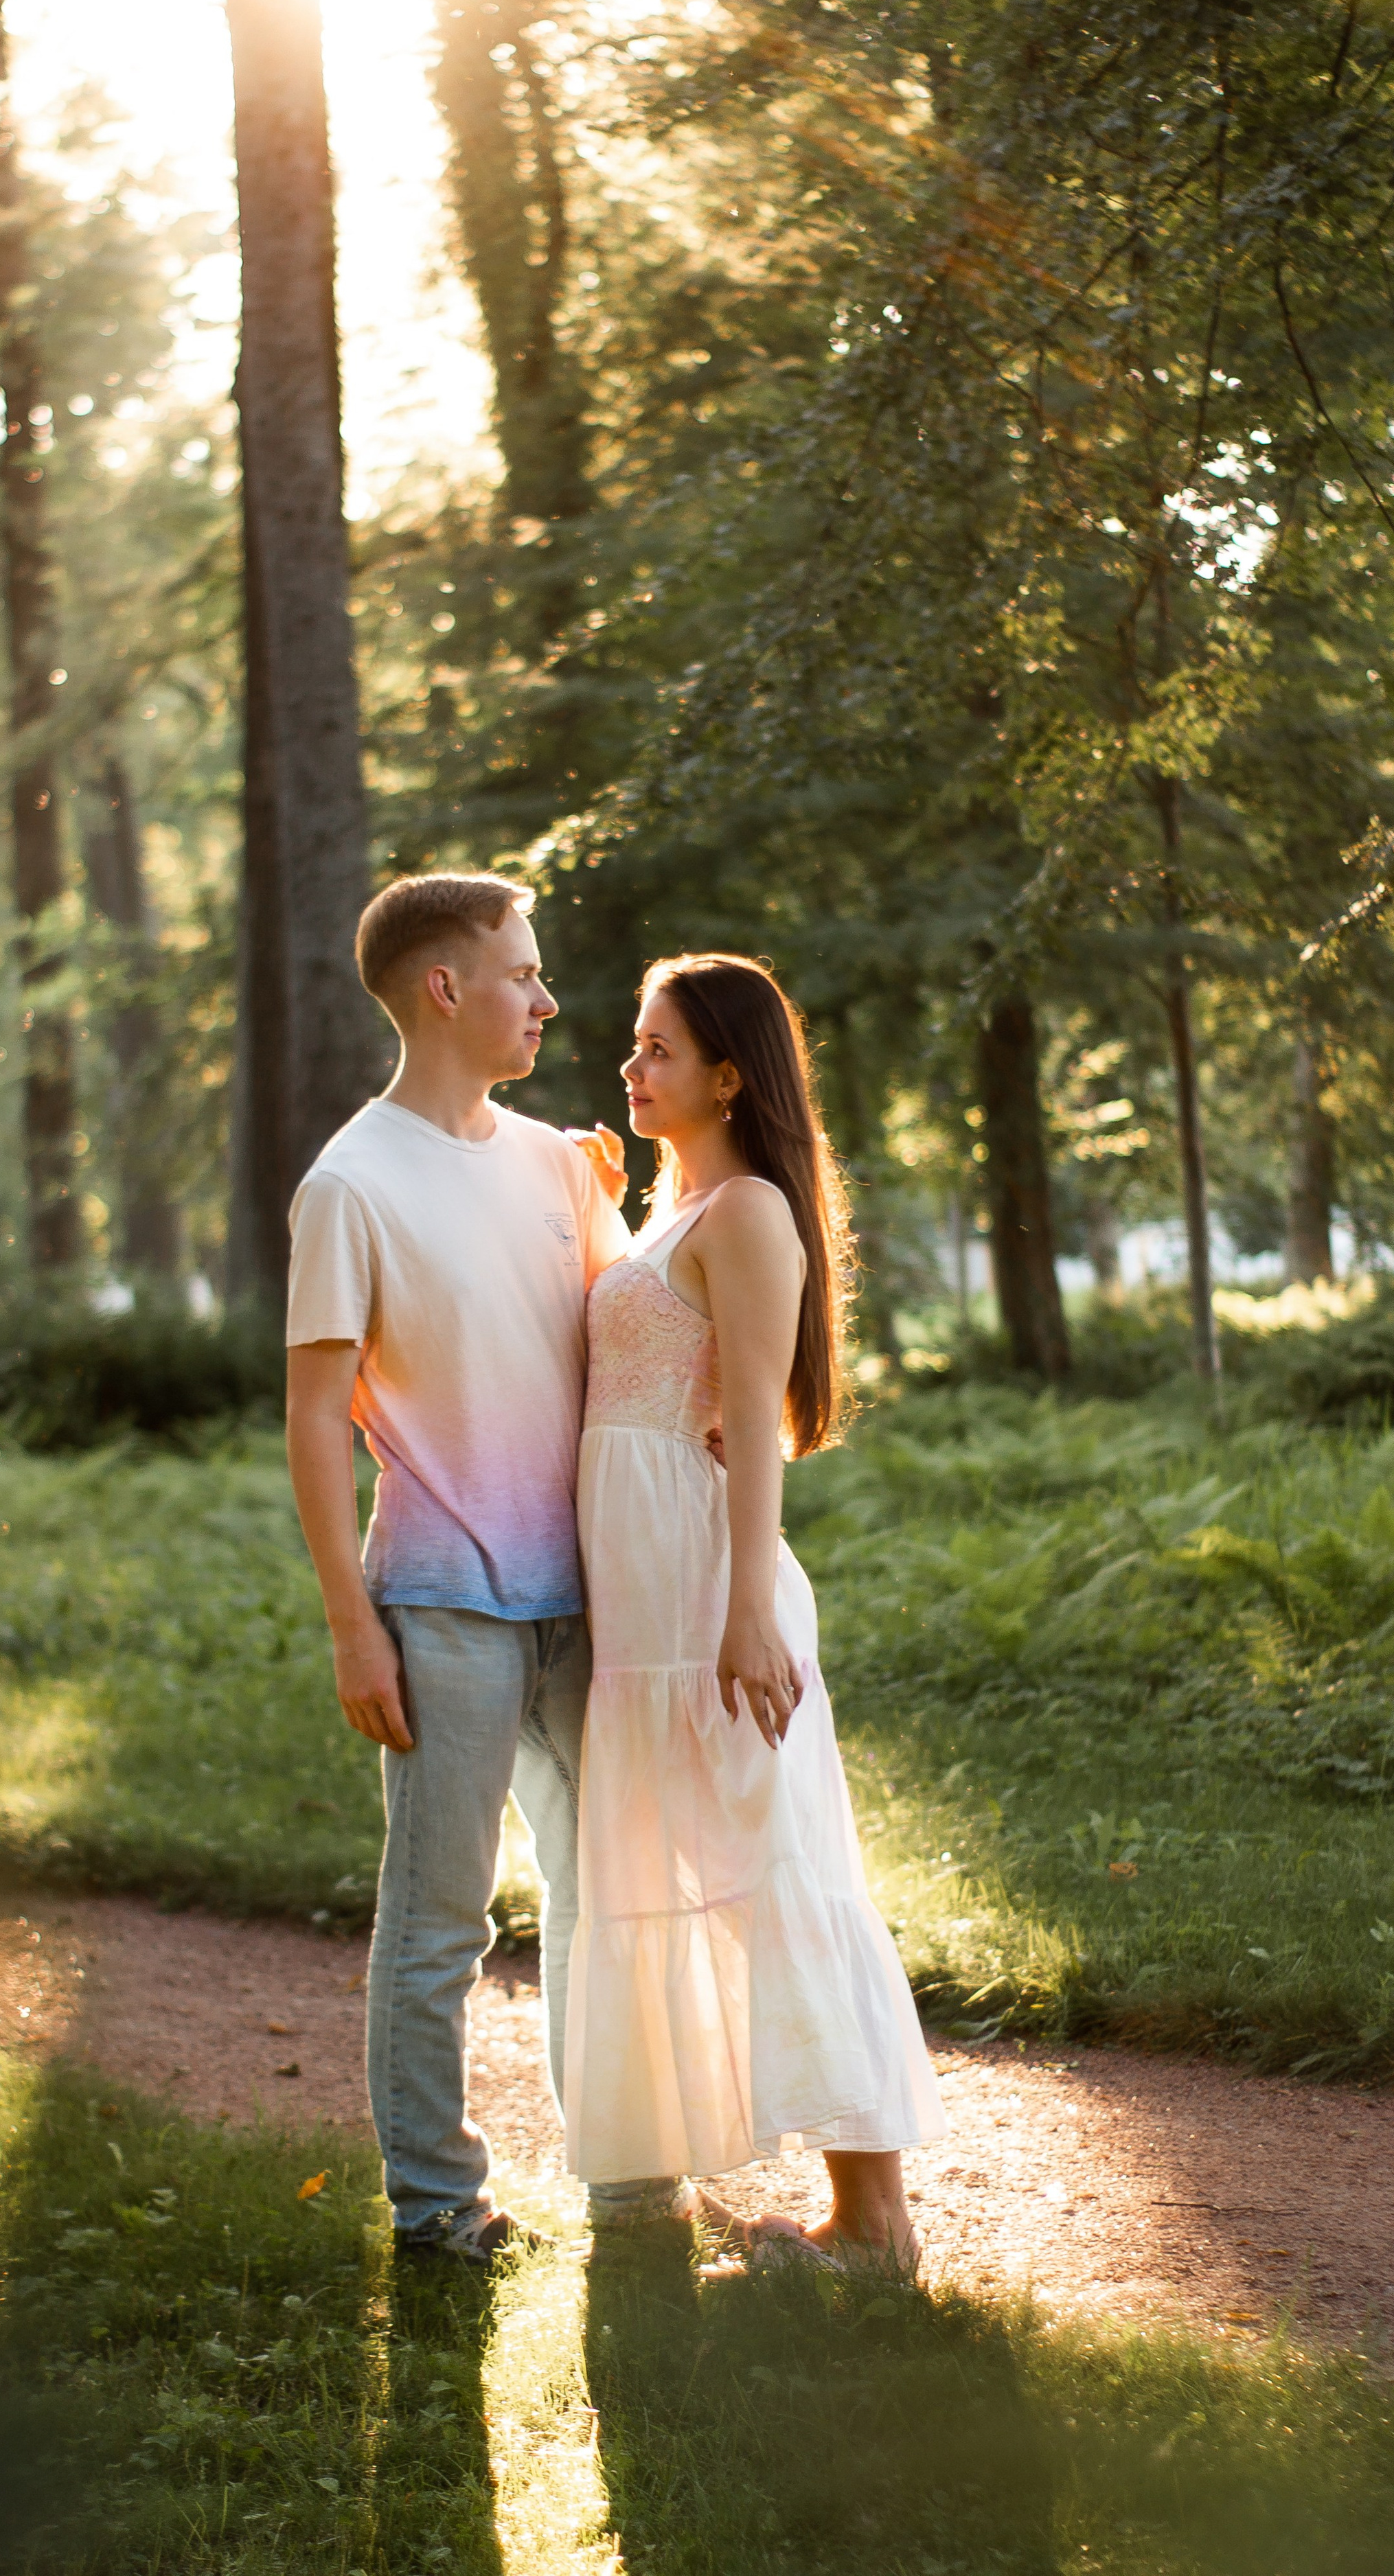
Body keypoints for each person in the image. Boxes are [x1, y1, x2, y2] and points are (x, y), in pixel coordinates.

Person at [285, 872, 692, 2266]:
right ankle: (437, 2206)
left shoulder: (550, 1164)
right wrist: (353, 1625)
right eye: (522, 972)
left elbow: (623, 1335)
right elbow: (312, 1423)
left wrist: (621, 1196)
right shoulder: (347, 1186)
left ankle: (629, 2179)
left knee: (603, 1897)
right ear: (442, 990)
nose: (547, 997)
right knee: (438, 1926)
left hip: (583, 1605)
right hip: (440, 1606)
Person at [564, 952, 950, 2270]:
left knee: (779, 1871)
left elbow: (763, 1432)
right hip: (644, 1598)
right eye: (633, 1043)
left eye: (657, 1049)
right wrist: (603, 1216)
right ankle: (730, 2173)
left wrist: (746, 1610)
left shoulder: (750, 1217)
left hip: (707, 1583)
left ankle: (875, 2220)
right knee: (693, 1870)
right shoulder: (683, 1211)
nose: (631, 1067)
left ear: (729, 1074)